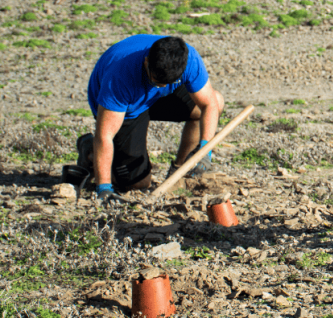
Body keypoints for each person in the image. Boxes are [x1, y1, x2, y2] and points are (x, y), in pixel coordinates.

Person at [77, 35, 224, 201]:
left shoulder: (188, 60)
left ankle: (180, 172)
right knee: (137, 185)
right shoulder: (119, 77)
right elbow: (104, 136)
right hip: (125, 107)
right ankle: (89, 150)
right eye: (156, 80)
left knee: (215, 100)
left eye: (166, 82)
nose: (160, 85)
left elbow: (209, 105)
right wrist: (103, 187)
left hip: (157, 97)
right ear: (146, 61)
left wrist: (205, 149)